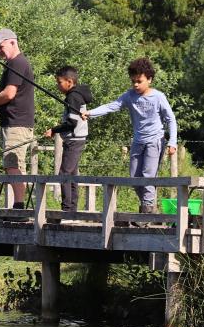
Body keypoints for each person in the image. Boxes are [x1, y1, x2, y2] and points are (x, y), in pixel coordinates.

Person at [83, 57, 177, 213]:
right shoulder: (129, 96)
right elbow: (111, 106)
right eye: (133, 81)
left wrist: (172, 141)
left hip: (155, 141)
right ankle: (150, 207)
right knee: (134, 177)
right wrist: (90, 113)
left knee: (148, 176)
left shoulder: (158, 97)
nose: (135, 84)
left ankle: (146, 212)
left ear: (150, 79)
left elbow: (171, 119)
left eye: (139, 81)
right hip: (138, 141)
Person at [0, 28, 34, 211]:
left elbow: (9, 93)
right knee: (16, 164)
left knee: (12, 163)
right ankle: (20, 205)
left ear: (12, 42)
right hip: (16, 122)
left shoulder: (17, 63)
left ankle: (19, 207)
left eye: (0, 46)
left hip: (16, 123)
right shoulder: (17, 63)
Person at [44, 66, 93, 214]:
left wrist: (54, 130)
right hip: (76, 138)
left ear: (69, 82)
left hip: (74, 139)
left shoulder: (73, 96)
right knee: (71, 174)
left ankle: (67, 209)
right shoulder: (76, 95)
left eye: (59, 82)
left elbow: (72, 123)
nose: (58, 86)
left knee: (64, 174)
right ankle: (71, 209)